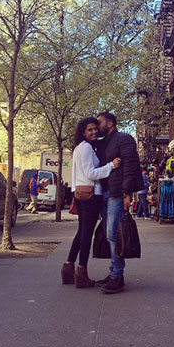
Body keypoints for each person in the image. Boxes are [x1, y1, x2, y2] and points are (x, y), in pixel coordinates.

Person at [61, 117, 121, 288]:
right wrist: (111, 166)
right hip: (91, 196)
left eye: (95, 128)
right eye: (90, 130)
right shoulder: (86, 148)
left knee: (82, 231)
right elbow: (91, 173)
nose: (94, 132)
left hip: (80, 194)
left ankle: (68, 267)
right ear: (83, 132)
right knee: (87, 234)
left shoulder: (79, 148)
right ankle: (81, 272)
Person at [96, 112, 144, 294]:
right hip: (104, 193)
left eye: (99, 122)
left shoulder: (124, 139)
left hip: (117, 193)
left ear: (109, 123)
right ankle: (113, 272)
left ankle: (117, 276)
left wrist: (127, 193)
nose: (97, 126)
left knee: (112, 234)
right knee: (110, 234)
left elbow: (131, 167)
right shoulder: (102, 143)